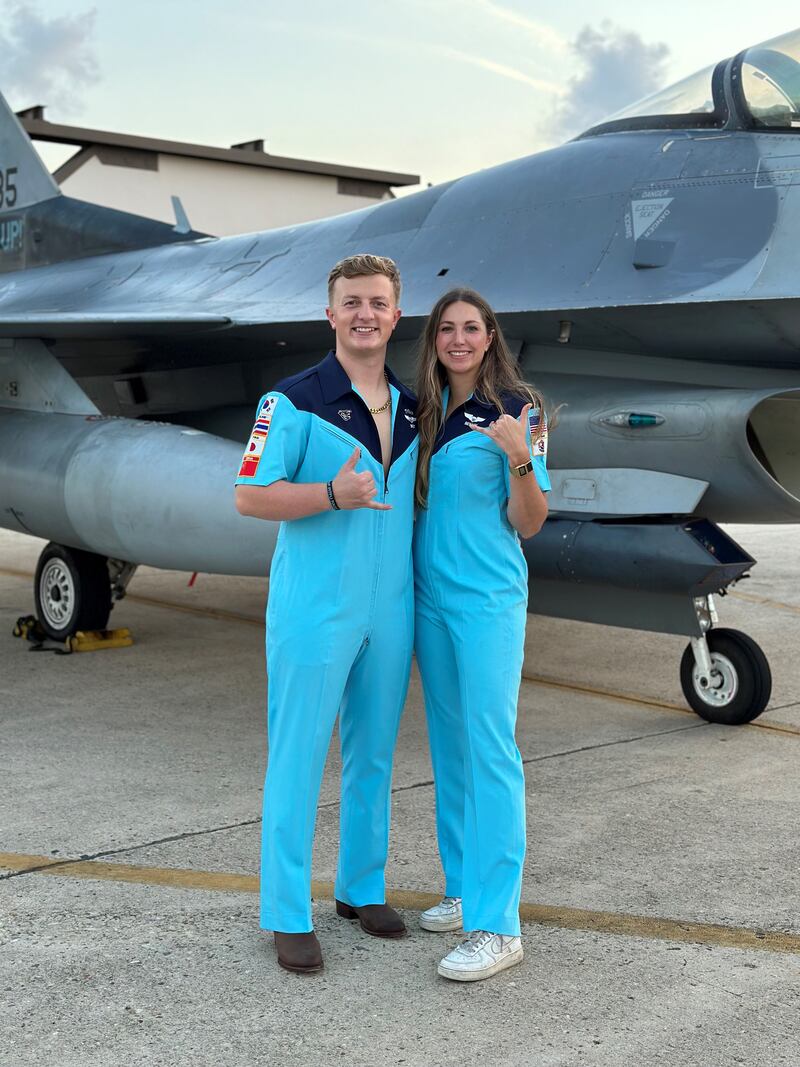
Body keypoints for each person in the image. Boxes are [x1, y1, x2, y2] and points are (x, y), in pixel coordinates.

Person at [234, 254, 418, 975]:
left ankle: (360, 887)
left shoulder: (411, 405)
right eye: (352, 302)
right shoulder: (291, 400)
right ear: (331, 313)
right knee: (300, 755)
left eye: (378, 301)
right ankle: (286, 910)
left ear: (396, 314)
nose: (365, 313)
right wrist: (330, 495)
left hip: (390, 606)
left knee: (373, 753)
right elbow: (250, 495)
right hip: (315, 608)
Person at [412, 288, 550, 982]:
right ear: (434, 338)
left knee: (491, 747)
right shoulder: (424, 408)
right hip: (430, 600)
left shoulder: (514, 409)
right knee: (451, 745)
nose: (459, 339)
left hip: (488, 599)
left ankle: (499, 925)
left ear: (490, 335)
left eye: (472, 327)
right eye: (447, 328)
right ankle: (464, 885)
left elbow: (530, 521)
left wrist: (519, 455)